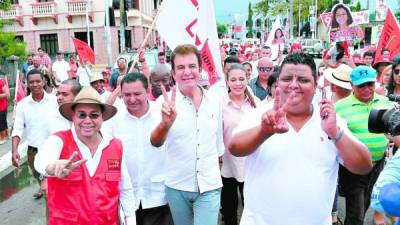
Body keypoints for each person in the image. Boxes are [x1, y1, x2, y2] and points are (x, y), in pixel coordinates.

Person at [228, 53, 372, 225]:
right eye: (287, 78)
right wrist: (264, 131)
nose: (294, 85)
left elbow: (364, 166)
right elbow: (234, 148)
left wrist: (335, 133)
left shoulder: (330, 120)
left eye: (303, 80)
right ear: (277, 83)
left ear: (315, 84)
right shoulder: (260, 114)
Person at [34, 86, 136, 225]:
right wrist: (51, 167)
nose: (87, 120)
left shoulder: (115, 145)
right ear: (73, 117)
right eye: (81, 115)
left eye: (94, 115)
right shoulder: (58, 140)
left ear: (102, 117)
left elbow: (125, 187)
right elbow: (41, 160)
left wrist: (130, 220)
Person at [150, 44, 224, 225]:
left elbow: (218, 145)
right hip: (177, 185)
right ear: (173, 73)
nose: (187, 72)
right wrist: (165, 124)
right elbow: (155, 141)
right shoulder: (163, 102)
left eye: (192, 66)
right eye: (181, 68)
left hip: (209, 185)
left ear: (200, 69)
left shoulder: (215, 100)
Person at [106, 73, 173, 225]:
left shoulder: (162, 114)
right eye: (127, 95)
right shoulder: (114, 119)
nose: (132, 99)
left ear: (148, 90)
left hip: (159, 196)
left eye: (137, 94)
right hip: (127, 198)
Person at [335, 66, 393, 225]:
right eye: (361, 85)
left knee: (366, 203)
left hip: (378, 163)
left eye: (370, 84)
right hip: (354, 168)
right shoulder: (340, 107)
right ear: (352, 85)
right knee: (356, 212)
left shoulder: (385, 103)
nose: (367, 89)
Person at [11, 69, 58, 199]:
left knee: (53, 187)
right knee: (42, 181)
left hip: (54, 149)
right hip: (34, 152)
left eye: (38, 81)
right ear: (27, 84)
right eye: (31, 82)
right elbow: (17, 129)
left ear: (44, 81)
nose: (35, 84)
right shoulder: (22, 105)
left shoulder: (54, 101)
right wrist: (14, 150)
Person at [221, 63, 258, 225]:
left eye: (241, 79)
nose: (238, 83)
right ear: (227, 81)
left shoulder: (256, 103)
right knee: (229, 209)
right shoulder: (220, 104)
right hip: (227, 164)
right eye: (233, 79)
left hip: (251, 164)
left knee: (251, 208)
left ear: (247, 79)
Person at [0, 75, 9, 144]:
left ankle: (2, 138)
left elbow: (7, 94)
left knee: (1, 122)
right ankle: (6, 135)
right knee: (3, 121)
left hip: (2, 105)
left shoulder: (1, 82)